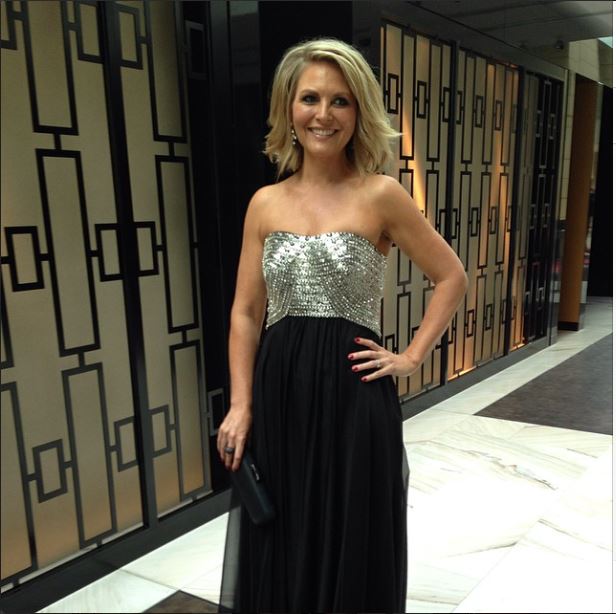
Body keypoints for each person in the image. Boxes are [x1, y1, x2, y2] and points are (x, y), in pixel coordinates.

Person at [217, 38, 468, 613]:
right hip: (280, 391)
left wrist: (410, 356)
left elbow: (451, 277)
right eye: (310, 98)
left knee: (350, 527)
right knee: (284, 526)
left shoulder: (381, 195)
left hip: (354, 392)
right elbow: (246, 312)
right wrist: (241, 403)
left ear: (358, 113)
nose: (323, 115)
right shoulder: (264, 203)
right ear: (289, 107)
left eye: (340, 101)